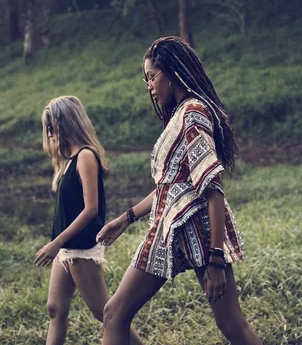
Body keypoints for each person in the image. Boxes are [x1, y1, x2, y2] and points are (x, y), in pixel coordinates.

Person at [97, 37, 263, 344]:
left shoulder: (193, 113)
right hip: (166, 230)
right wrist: (125, 219)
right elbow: (170, 186)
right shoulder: (180, 115)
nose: (149, 85)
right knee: (114, 313)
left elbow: (212, 187)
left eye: (152, 77)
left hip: (199, 231)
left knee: (233, 325)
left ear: (172, 73)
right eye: (146, 79)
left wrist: (215, 259)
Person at [34, 95, 143, 345]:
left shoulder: (85, 156)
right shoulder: (68, 161)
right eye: (47, 128)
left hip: (80, 248)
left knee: (105, 313)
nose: (50, 134)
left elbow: (90, 209)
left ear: (65, 123)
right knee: (55, 308)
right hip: (67, 248)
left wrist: (55, 243)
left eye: (52, 127)